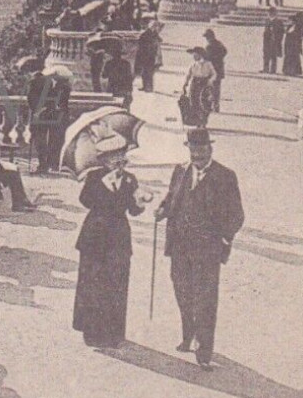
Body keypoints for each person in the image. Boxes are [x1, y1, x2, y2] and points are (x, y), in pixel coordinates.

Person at [155, 128, 245, 369]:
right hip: (180, 246)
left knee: (205, 298)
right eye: (193, 150)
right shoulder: (180, 170)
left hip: (207, 250)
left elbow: (236, 215)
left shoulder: (225, 176)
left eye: (202, 150)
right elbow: (171, 198)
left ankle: (204, 350)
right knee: (182, 291)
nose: (197, 155)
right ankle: (188, 336)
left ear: (210, 149)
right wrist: (162, 210)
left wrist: (223, 239)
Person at [72, 135, 152, 349]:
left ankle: (114, 334)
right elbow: (86, 200)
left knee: (116, 284)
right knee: (93, 284)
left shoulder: (130, 180)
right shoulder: (95, 177)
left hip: (118, 237)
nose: (119, 161)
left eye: (122, 157)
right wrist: (105, 184)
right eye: (114, 158)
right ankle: (91, 332)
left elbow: (133, 211)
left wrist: (140, 202)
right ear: (104, 160)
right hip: (94, 236)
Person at [28, 62, 71, 174]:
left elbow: (33, 102)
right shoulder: (60, 86)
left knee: (45, 141)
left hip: (46, 116)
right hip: (50, 116)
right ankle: (50, 163)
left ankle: (45, 164)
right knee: (53, 140)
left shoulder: (49, 84)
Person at [180, 47, 217, 127]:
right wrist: (185, 84)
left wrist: (210, 81)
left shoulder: (208, 64)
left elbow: (214, 74)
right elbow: (188, 75)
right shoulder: (193, 65)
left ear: (200, 55)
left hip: (204, 84)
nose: (193, 56)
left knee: (204, 103)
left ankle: (203, 121)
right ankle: (197, 121)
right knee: (193, 102)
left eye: (195, 55)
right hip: (195, 84)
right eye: (193, 55)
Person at [101, 42, 134, 108]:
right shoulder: (126, 63)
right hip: (123, 88)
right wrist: (130, 90)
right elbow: (129, 78)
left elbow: (104, 75)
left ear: (112, 55)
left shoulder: (109, 63)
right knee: (124, 107)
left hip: (112, 88)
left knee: (111, 107)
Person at [202, 29, 227, 112]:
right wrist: (219, 58)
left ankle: (212, 105)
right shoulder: (219, 43)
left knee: (211, 88)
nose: (206, 39)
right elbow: (225, 51)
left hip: (213, 70)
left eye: (207, 37)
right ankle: (216, 105)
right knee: (216, 88)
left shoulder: (209, 46)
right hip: (219, 69)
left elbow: (207, 57)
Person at [134, 23, 161, 93]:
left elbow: (159, 41)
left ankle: (149, 87)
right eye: (153, 27)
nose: (154, 28)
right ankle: (146, 86)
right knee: (145, 72)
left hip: (150, 56)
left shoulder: (153, 34)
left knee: (148, 72)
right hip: (146, 55)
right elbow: (140, 42)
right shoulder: (147, 34)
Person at [261, 8, 285, 74]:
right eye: (268, 13)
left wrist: (278, 38)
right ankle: (265, 68)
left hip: (274, 40)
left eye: (270, 13)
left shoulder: (279, 21)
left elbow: (281, 31)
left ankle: (273, 69)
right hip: (267, 40)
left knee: (273, 55)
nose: (269, 14)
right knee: (266, 54)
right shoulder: (267, 20)